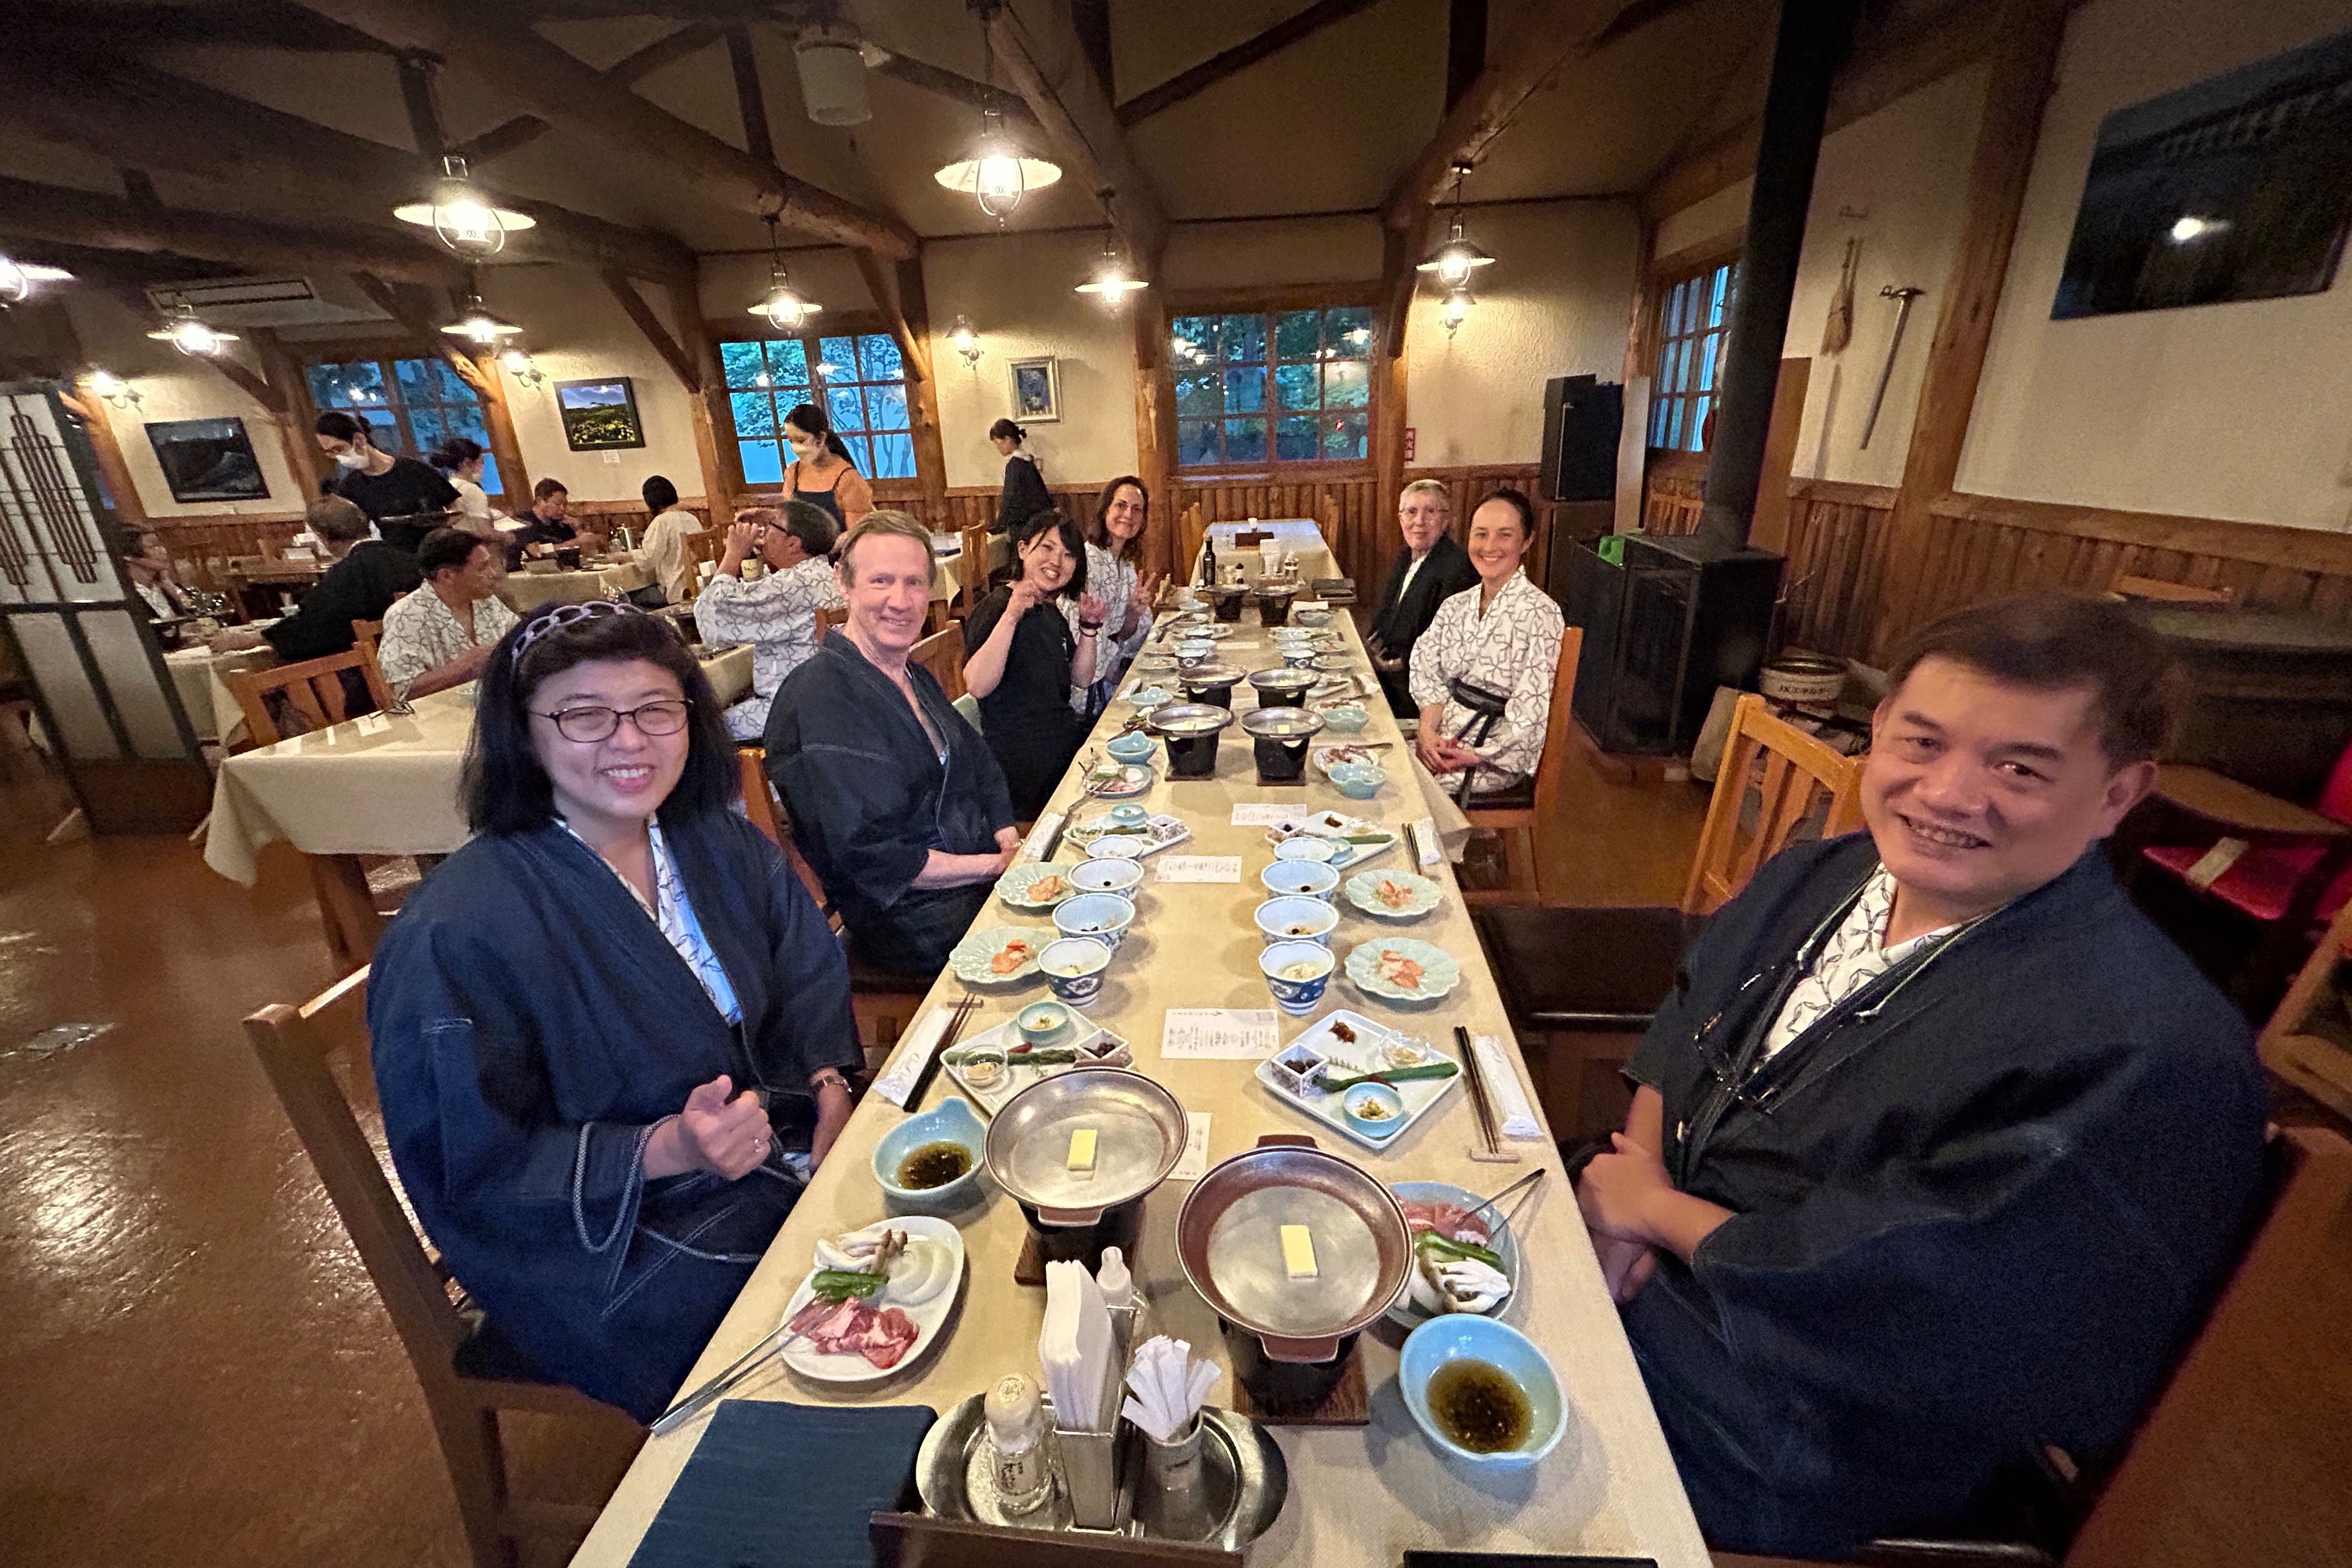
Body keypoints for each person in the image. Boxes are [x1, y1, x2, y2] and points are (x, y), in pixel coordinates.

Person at [1574, 593, 2269, 1558]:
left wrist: (1651, 1211)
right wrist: (1622, 1188)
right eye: (1921, 742)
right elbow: (1687, 1018)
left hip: (1793, 1421)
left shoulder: (2143, 1048)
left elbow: (1928, 1299)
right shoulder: (1822, 873)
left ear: (2117, 792)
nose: (1947, 793)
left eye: (2017, 767)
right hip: (1642, 1261)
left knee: (1436, 1456)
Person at [368, 600, 862, 1422]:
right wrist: (666, 1148)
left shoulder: (713, 841)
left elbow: (803, 959)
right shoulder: (457, 931)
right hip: (607, 1240)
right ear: (523, 731)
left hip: (766, 1148)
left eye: (655, 710)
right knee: (829, 1347)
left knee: (922, 1232)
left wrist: (829, 1077)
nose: (630, 742)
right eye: (584, 715)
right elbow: (471, 1169)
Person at [766, 512, 1019, 977]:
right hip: (908, 919)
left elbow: (978, 761)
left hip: (966, 878)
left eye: (915, 583)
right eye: (881, 581)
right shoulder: (822, 695)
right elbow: (880, 857)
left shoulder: (910, 673)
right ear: (844, 582)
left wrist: (1006, 832)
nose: (901, 601)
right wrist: (994, 867)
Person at [1409, 488, 1565, 797]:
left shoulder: (1540, 613)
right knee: (1370, 762)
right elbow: (1426, 668)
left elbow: (1533, 711)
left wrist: (1477, 755)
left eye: (1504, 536)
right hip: (1444, 736)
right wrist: (1428, 732)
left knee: (1405, 792)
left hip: (1492, 757)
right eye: (1481, 534)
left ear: (1527, 541)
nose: (1490, 547)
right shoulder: (1456, 605)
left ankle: (1435, 845)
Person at [963, 510, 1104, 820]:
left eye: (1068, 555)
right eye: (1047, 548)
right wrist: (1012, 616)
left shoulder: (1049, 612)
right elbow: (976, 684)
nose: (1057, 561)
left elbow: (1081, 678)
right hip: (1024, 765)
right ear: (1023, 549)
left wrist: (1089, 628)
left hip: (1061, 745)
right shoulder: (997, 608)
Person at [694, 502, 844, 741]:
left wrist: (733, 554)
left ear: (793, 544)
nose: (763, 533)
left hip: (794, 710)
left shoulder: (792, 585)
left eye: (771, 526)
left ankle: (750, 778)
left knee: (699, 732)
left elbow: (711, 615)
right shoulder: (825, 574)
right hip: (829, 702)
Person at [209, 495, 421, 662]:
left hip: (372, 669)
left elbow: (314, 627)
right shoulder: (410, 559)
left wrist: (255, 638)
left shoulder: (346, 574)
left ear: (322, 537)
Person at [1368, 479, 1478, 718]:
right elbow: (1386, 613)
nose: (1419, 522)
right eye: (1411, 512)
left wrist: (1392, 665)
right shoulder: (1407, 555)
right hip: (1389, 671)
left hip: (1417, 690)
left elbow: (1446, 646)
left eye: (1430, 512)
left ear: (1445, 521)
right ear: (1401, 518)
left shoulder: (1456, 569)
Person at [376, 527, 520, 696]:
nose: (493, 574)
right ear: (446, 575)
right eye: (482, 568)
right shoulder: (407, 615)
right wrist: (464, 667)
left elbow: (522, 639)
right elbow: (402, 689)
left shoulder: (486, 601)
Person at [314, 411, 457, 554]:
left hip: (435, 554)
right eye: (331, 453)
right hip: (390, 560)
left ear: (359, 439)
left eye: (339, 449)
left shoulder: (415, 470)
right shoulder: (349, 487)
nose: (338, 456)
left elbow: (454, 507)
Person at [1080, 475, 1163, 708]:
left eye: (1137, 509)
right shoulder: (1087, 562)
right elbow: (1082, 636)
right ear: (1105, 509)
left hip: (1116, 675)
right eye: (1121, 506)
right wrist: (1115, 675)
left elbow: (1124, 635)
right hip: (1088, 691)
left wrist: (1133, 614)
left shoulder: (1125, 565)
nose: (1129, 515)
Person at [778, 403, 872, 530]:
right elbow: (787, 521)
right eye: (791, 441)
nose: (795, 448)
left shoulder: (848, 478)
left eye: (801, 441)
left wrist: (828, 548)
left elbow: (855, 535)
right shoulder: (793, 472)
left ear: (821, 438)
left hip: (840, 548)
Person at [629, 474, 706, 607]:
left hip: (677, 588)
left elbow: (649, 560)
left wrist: (625, 556)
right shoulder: (691, 518)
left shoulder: (661, 522)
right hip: (699, 583)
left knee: (628, 595)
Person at [989, 418, 1052, 536]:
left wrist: (1000, 525)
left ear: (1007, 439)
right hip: (1037, 522)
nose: (998, 449)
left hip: (1022, 525)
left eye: (998, 444)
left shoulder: (1015, 465)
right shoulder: (1027, 461)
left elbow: (1010, 497)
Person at [428, 436, 500, 536]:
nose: (482, 468)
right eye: (480, 463)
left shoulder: (449, 486)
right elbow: (485, 532)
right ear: (466, 463)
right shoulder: (471, 490)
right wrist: (507, 537)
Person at [123, 528, 197, 623]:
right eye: (153, 547)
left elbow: (192, 612)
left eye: (161, 545)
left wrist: (169, 585)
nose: (164, 551)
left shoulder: (164, 588)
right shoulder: (127, 594)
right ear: (130, 557)